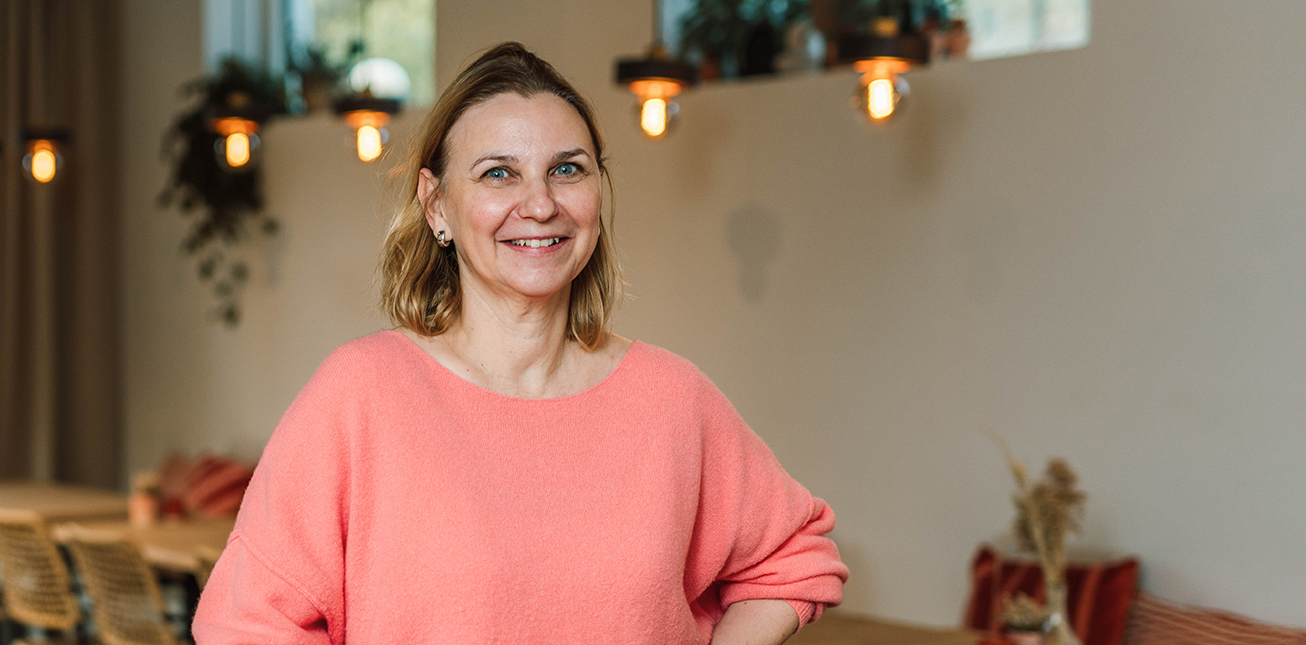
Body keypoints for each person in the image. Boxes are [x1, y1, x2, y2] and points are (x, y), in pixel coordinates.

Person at [190, 42, 847, 644]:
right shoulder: (360, 395)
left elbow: (794, 556)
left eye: (567, 169)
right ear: (437, 204)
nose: (539, 204)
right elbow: (244, 624)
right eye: (498, 174)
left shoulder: (673, 399)